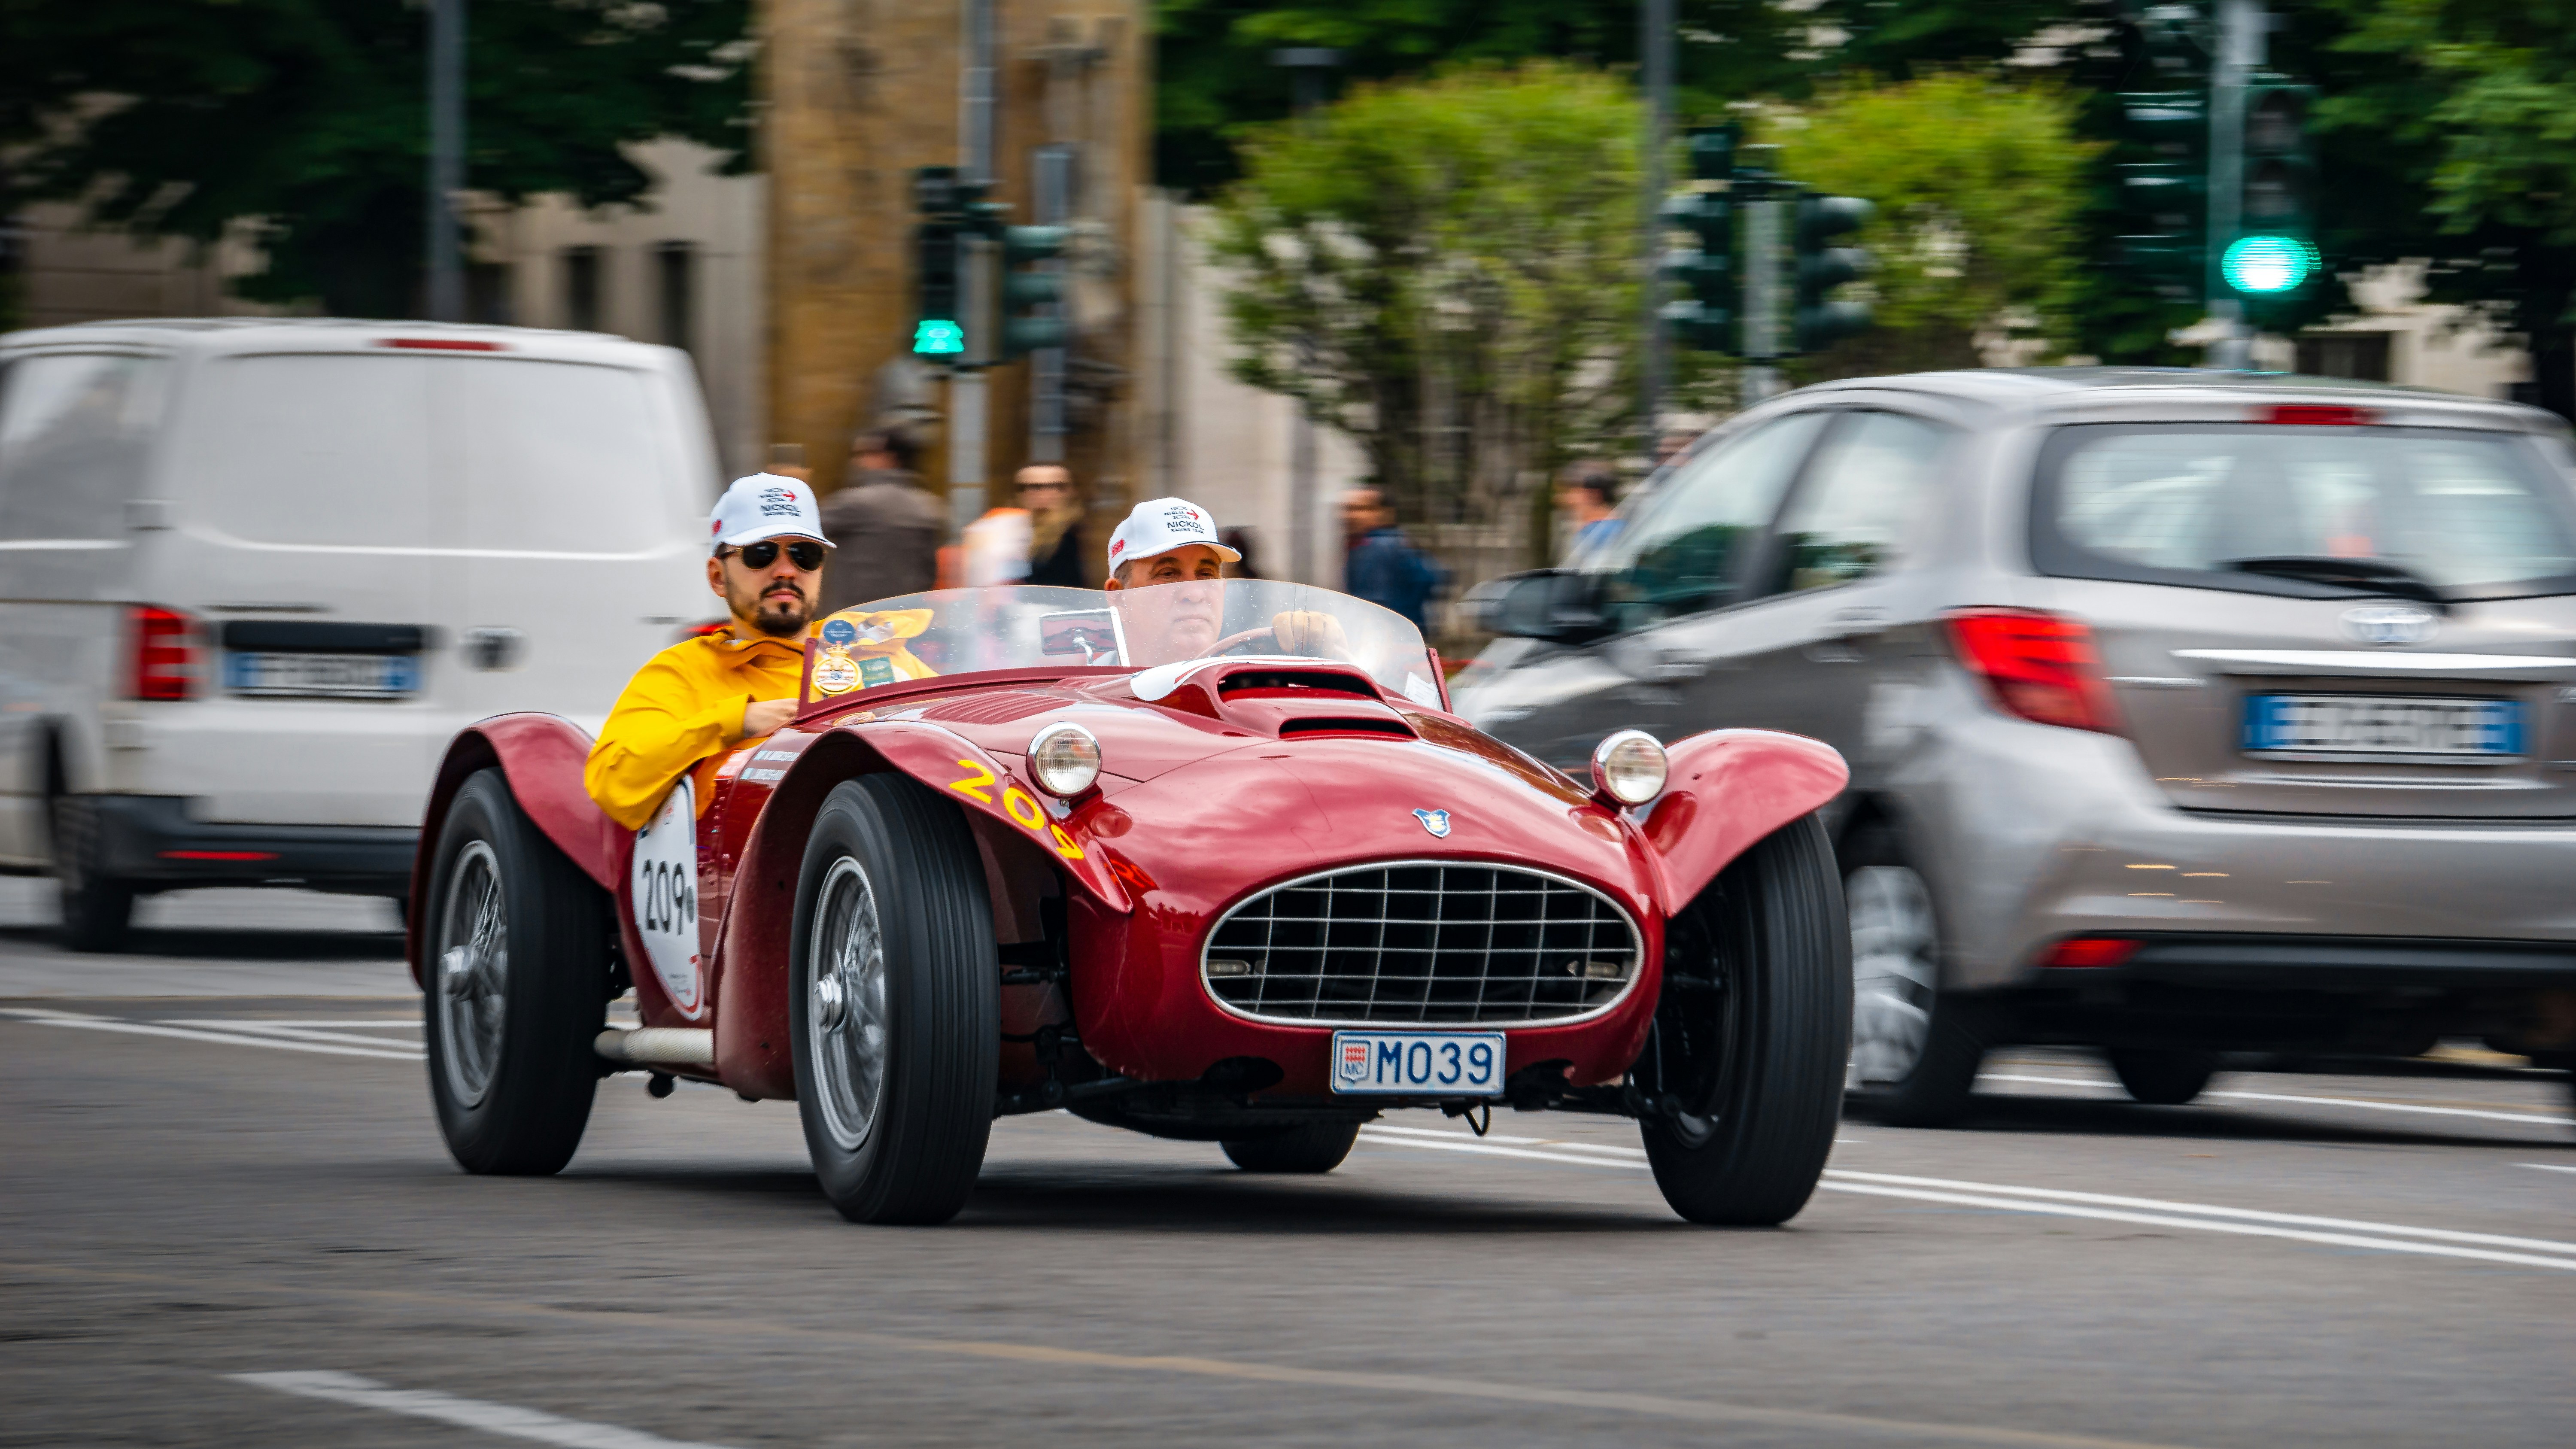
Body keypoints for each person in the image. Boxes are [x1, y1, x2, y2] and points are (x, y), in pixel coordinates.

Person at [584, 474, 834, 830]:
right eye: (761, 554)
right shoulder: (682, 672)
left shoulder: (872, 654)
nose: (786, 570)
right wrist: (736, 721)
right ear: (718, 577)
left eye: (805, 554)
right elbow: (612, 781)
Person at [1103, 497, 1346, 666]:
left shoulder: (1255, 679)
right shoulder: (1080, 691)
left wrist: (1328, 655)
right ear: (1119, 598)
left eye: (1207, 574)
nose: (1196, 594)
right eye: (1168, 574)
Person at [817, 429, 942, 615]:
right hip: (910, 622)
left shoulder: (856, 503)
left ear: (888, 458)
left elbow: (803, 528)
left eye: (865, 454)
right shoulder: (930, 507)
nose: (857, 462)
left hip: (856, 623)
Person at [1339, 487, 1441, 630]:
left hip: (1390, 635)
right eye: (1348, 509)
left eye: (1361, 509)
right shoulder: (1369, 544)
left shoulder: (1380, 546)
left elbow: (1374, 603)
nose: (1350, 516)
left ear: (1384, 514)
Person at [1019, 464, 1092, 587]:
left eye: (1057, 487)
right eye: (1035, 487)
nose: (1045, 493)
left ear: (1071, 491)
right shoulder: (1015, 527)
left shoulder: (1074, 532)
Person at [1555, 459, 1622, 561]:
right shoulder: (1594, 531)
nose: (1565, 500)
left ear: (1595, 495)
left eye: (1570, 493)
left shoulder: (1604, 534)